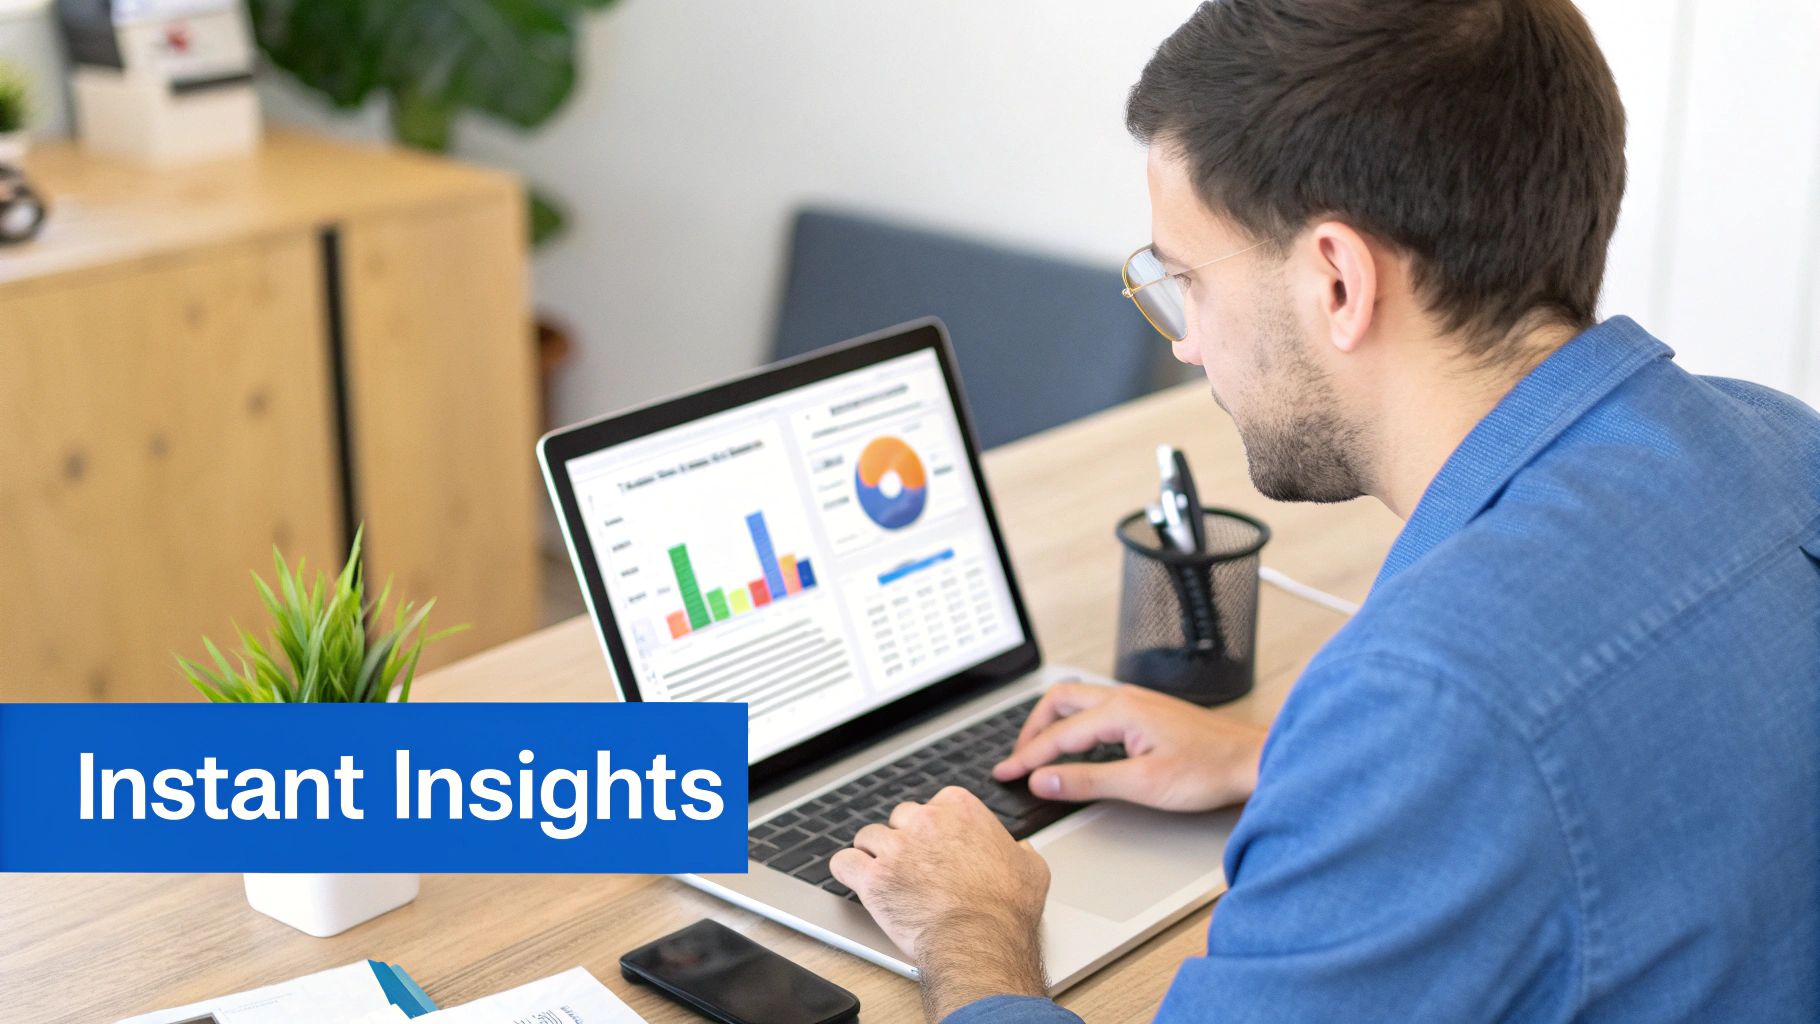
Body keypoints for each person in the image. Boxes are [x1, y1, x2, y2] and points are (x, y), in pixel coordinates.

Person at [826, 0, 1820, 1020]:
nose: (1185, 343)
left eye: (1182, 280)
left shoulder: (1426, 705)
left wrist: (970, 924)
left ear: (1336, 280)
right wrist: (1271, 753)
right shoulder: (1781, 446)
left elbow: (1476, 721)